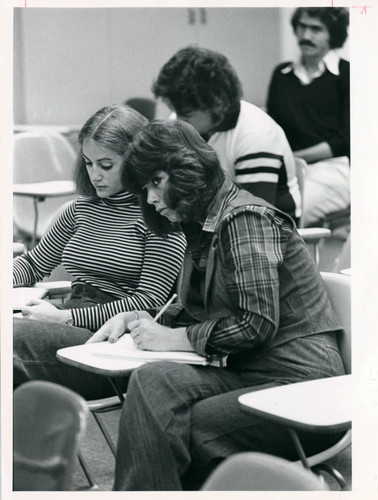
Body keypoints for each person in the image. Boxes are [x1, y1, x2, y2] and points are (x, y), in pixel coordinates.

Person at [87, 119, 346, 490]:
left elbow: (256, 324)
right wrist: (137, 318)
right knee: (153, 380)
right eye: (145, 188)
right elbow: (197, 311)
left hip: (301, 385)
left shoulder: (246, 219)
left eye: (156, 182)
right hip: (254, 370)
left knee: (184, 426)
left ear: (186, 170)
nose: (151, 199)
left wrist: (173, 339)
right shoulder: (202, 223)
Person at [13, 105, 186, 400]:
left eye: (106, 165)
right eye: (89, 163)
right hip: (70, 319)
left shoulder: (159, 213)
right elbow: (32, 263)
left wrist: (66, 319)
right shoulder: (81, 208)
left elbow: (151, 303)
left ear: (136, 161)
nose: (95, 175)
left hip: (114, 340)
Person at [151, 46, 301, 222]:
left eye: (187, 114)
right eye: (174, 109)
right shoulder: (185, 120)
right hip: (212, 221)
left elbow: (253, 218)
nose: (177, 120)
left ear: (217, 104)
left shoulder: (255, 135)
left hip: (269, 232)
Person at [266, 7, 350, 227]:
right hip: (288, 167)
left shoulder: (348, 75)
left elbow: (345, 141)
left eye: (316, 29)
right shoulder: (282, 74)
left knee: (285, 214)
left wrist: (294, 158)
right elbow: (273, 127)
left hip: (332, 169)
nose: (305, 36)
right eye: (302, 27)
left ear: (333, 34)